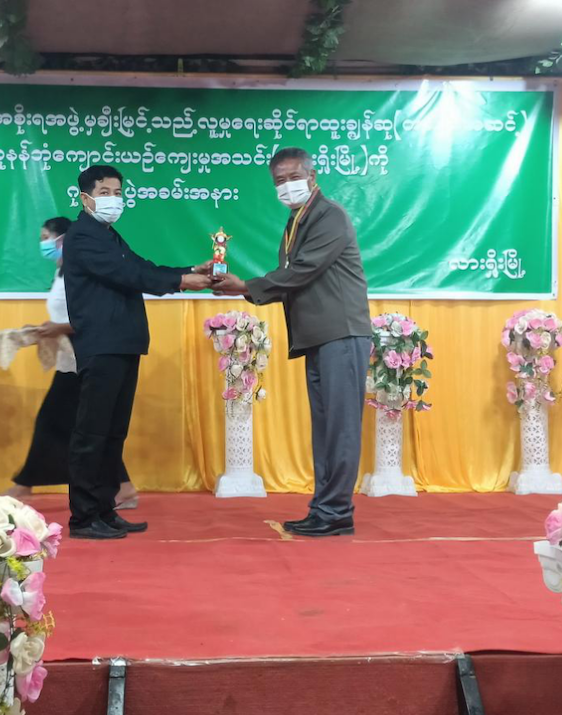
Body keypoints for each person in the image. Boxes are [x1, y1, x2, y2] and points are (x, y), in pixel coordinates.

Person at [214, 147, 371, 537]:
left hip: (341, 332)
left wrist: (246, 287)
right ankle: (325, 507)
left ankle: (336, 512)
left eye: (293, 177)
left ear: (312, 176)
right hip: (320, 336)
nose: (287, 186)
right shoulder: (298, 220)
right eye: (279, 181)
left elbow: (303, 271)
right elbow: (295, 275)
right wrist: (246, 288)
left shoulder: (329, 216)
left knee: (340, 427)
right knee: (326, 428)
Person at [64, 165, 213, 539]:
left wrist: (189, 269)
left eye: (117, 192)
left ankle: (104, 509)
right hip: (101, 344)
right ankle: (83, 517)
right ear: (85, 198)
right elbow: (128, 275)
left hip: (122, 342)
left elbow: (140, 266)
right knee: (92, 433)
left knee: (113, 434)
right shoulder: (81, 236)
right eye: (105, 192)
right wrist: (181, 281)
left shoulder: (108, 234)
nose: (113, 199)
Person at [4, 217, 139, 510]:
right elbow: (67, 316)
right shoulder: (61, 272)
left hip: (87, 358)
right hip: (69, 359)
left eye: (45, 237)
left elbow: (93, 317)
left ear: (62, 239)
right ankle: (123, 486)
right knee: (76, 424)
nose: (42, 243)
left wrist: (58, 328)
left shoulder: (81, 271)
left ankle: (24, 485)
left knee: (60, 422)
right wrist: (44, 329)